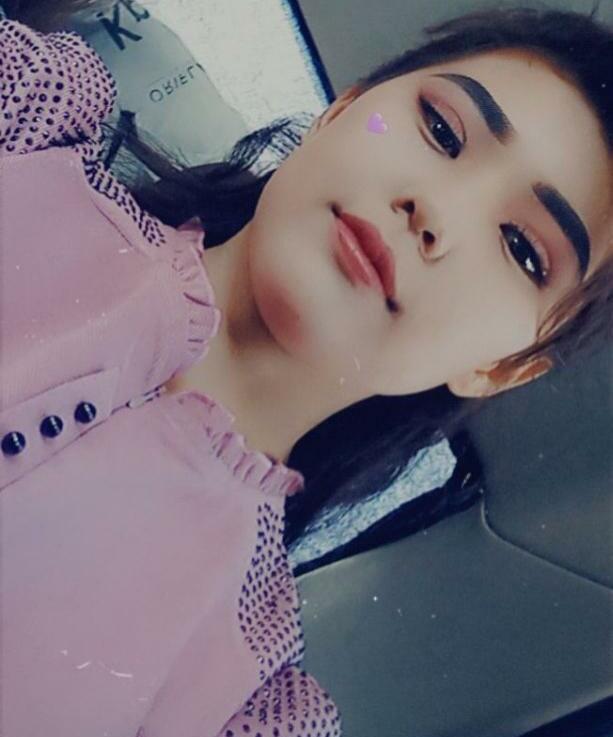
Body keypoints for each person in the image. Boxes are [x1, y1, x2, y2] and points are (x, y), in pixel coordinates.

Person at [0, 4, 610, 737]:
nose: (436, 211)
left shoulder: (247, 701)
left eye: (522, 249)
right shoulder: (28, 115)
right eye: (441, 130)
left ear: (503, 368)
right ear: (341, 112)